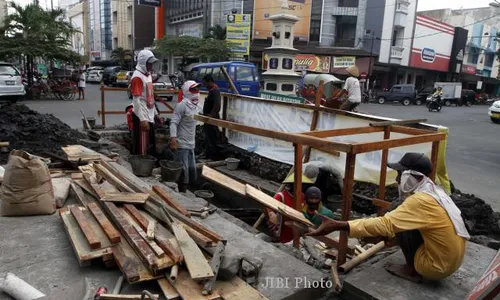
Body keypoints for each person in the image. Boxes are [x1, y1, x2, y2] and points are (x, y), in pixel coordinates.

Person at [307, 153, 469, 282]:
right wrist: (387, 237)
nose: (398, 179)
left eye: (400, 174)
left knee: (398, 217)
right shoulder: (435, 191)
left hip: (434, 267)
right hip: (450, 261)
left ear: (411, 176)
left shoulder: (420, 201)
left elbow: (386, 224)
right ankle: (407, 257)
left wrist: (339, 225)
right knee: (402, 218)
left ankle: (411, 271)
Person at [170, 80, 201, 193]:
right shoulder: (182, 105)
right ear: (187, 91)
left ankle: (189, 191)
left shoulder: (196, 106)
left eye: (197, 89)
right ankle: (182, 192)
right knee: (184, 171)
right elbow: (173, 123)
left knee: (192, 170)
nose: (196, 92)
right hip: (182, 144)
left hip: (191, 144)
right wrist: (173, 139)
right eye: (193, 89)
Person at [266, 173, 312, 243]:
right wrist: (272, 215)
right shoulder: (281, 196)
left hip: (296, 230)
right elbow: (269, 206)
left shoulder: (302, 196)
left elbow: (304, 210)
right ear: (292, 185)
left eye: (303, 185)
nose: (302, 187)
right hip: (283, 230)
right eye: (300, 184)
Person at [129, 49, 159, 156]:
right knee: (142, 147)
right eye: (149, 63)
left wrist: (155, 113)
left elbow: (150, 97)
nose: (151, 66)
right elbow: (136, 101)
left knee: (149, 145)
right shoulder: (137, 77)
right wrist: (142, 119)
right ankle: (141, 168)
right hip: (142, 116)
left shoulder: (148, 75)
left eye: (152, 64)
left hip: (149, 115)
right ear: (143, 62)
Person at [202, 74, 221, 160]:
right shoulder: (211, 91)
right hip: (208, 118)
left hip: (211, 119)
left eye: (205, 83)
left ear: (210, 81)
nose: (205, 85)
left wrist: (212, 115)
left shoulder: (215, 91)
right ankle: (208, 154)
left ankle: (213, 156)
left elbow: (217, 105)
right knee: (208, 137)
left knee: (212, 137)